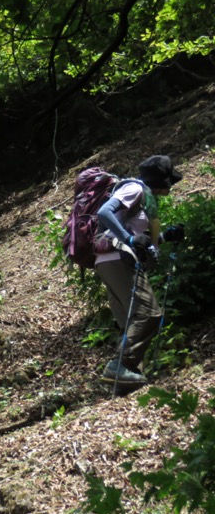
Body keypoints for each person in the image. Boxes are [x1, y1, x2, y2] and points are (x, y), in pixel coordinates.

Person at [94, 155, 185, 392]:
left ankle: (126, 382)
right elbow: (105, 213)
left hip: (109, 261)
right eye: (169, 181)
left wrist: (163, 238)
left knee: (131, 321)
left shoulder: (145, 198)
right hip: (118, 259)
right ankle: (120, 366)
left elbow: (139, 237)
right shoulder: (135, 188)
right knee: (149, 314)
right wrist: (129, 239)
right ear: (161, 180)